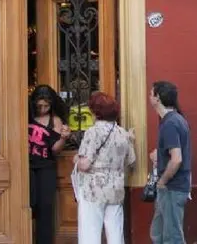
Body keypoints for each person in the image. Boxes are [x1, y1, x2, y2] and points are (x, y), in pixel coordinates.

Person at [75, 92, 136, 244]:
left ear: (95, 112)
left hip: (93, 189)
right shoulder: (122, 133)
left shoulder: (93, 132)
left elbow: (84, 165)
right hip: (115, 188)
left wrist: (76, 159)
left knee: (90, 230)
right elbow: (132, 161)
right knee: (115, 230)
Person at [149, 81, 191, 244]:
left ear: (158, 97)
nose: (149, 97)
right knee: (159, 233)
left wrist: (162, 181)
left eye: (151, 93)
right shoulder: (175, 120)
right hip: (173, 187)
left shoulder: (170, 123)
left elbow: (177, 158)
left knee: (171, 236)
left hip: (172, 188)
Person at [29, 85, 70, 244]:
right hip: (26, 168)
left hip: (46, 168)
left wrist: (63, 138)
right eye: (39, 106)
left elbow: (54, 150)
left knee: (45, 207)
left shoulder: (55, 120)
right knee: (27, 205)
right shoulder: (26, 116)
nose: (43, 109)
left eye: (46, 106)